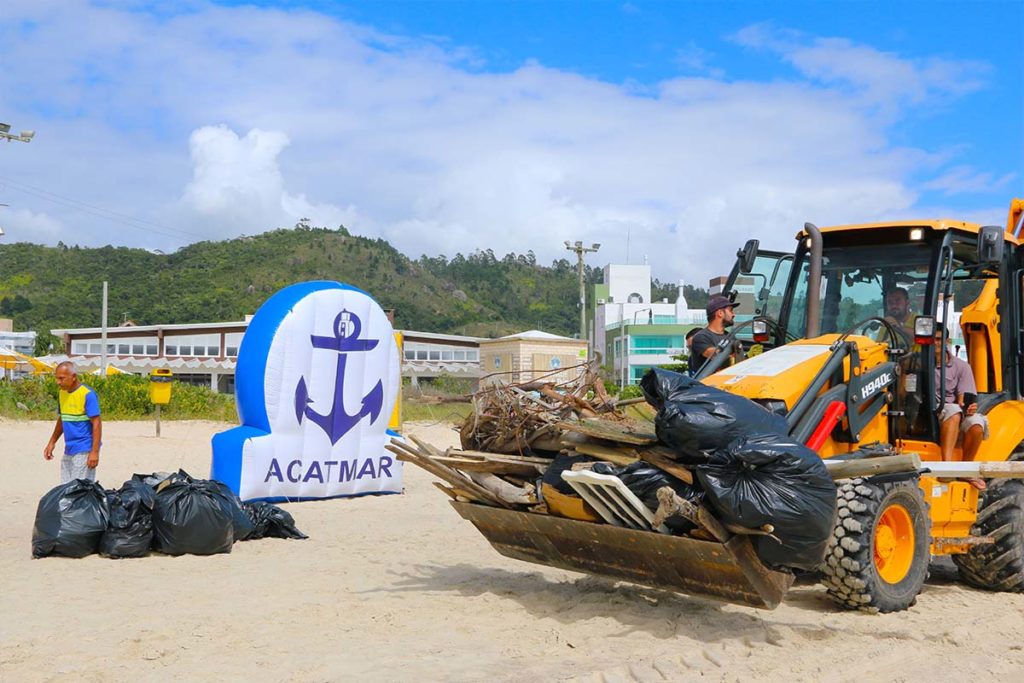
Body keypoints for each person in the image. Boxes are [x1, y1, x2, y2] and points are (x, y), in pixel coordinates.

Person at [934, 329, 987, 489]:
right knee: (953, 410)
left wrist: (969, 407)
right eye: (932, 339)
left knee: (977, 423)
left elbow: (964, 397)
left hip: (952, 410)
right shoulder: (916, 364)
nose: (935, 343)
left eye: (938, 339)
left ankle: (965, 468)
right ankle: (947, 467)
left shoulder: (961, 366)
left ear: (947, 342)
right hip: (933, 411)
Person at [43, 361, 102, 483]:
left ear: (74, 377)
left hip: (85, 447)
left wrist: (94, 452)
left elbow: (97, 423)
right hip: (69, 447)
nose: (58, 382)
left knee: (79, 488)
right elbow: (63, 418)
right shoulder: (62, 393)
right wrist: (52, 442)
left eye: (62, 378)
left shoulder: (87, 394)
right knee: (66, 486)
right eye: (57, 378)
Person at [689, 294, 739, 375]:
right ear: (720, 313)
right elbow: (713, 354)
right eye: (730, 310)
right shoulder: (701, 337)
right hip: (708, 385)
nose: (733, 314)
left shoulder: (730, 337)